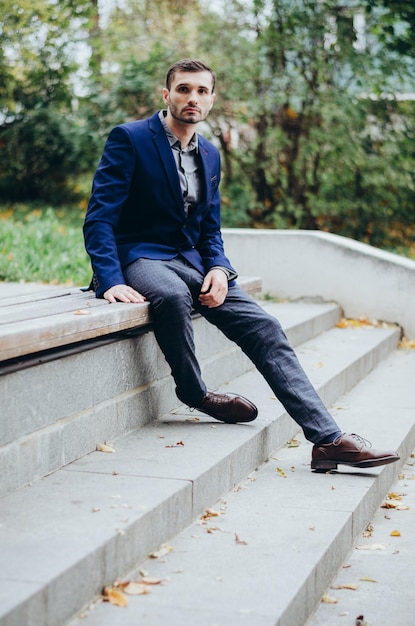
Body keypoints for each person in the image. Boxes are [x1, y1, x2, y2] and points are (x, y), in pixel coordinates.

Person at [84, 58, 399, 472]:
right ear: (167, 95)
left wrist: (219, 269)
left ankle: (328, 440)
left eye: (201, 91)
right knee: (173, 296)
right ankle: (195, 393)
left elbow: (209, 229)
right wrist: (108, 280)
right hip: (140, 256)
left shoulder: (210, 154)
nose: (192, 98)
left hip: (193, 263)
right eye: (184, 89)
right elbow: (100, 217)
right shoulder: (131, 138)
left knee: (265, 327)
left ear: (212, 99)